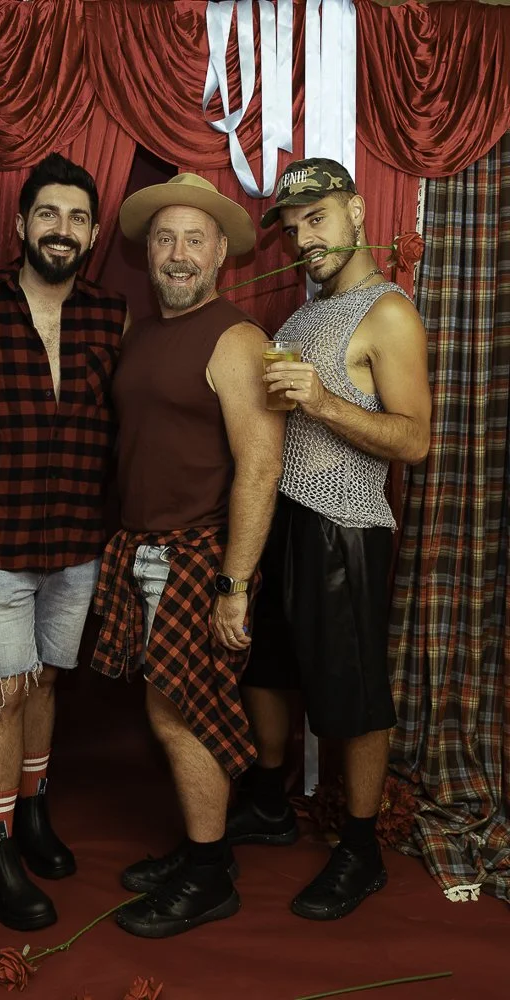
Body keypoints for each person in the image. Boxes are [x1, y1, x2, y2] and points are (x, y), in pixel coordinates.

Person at [228, 157, 431, 921]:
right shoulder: (304, 314)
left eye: (317, 219)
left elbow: (414, 441)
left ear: (354, 212)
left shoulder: (388, 313)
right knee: (269, 668)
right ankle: (272, 802)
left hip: (345, 525)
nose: (303, 238)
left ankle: (360, 848)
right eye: (292, 226)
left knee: (350, 697)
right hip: (283, 514)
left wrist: (321, 403)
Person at [91, 173, 286, 938]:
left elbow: (261, 466)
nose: (177, 253)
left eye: (193, 240)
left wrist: (233, 584)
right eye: (164, 239)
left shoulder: (237, 340)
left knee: (182, 718)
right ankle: (202, 849)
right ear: (149, 252)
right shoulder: (141, 332)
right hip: (141, 552)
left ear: (220, 256)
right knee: (170, 710)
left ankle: (209, 876)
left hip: (199, 553)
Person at [0, 154, 127, 930]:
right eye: (48, 215)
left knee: (46, 684)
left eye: (78, 218)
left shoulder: (108, 315)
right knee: (5, 691)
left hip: (76, 543)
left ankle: (31, 814)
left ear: (92, 233)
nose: (63, 229)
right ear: (23, 224)